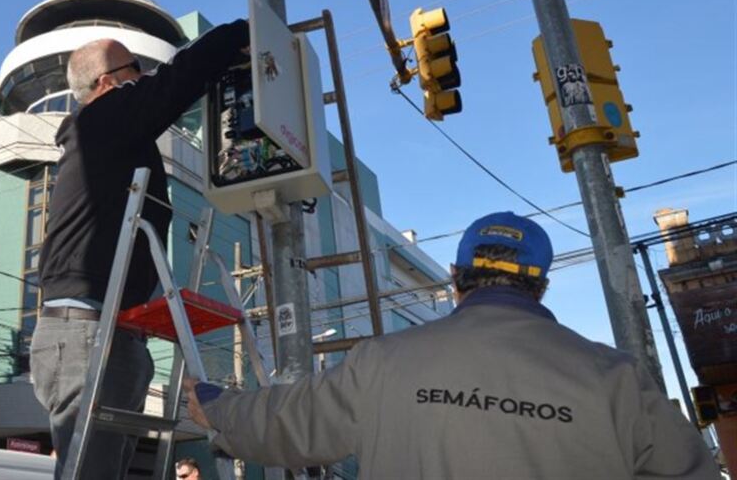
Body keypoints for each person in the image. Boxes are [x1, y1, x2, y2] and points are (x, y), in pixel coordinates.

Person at [185, 212, 718, 479]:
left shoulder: (384, 361)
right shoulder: (618, 379)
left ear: (458, 278)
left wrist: (214, 406)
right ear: (542, 283)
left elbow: (288, 422)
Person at [30, 18, 249, 479]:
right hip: (89, 331)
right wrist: (240, 31)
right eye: (136, 70)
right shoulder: (99, 119)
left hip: (106, 331)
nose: (145, 79)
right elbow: (174, 82)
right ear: (107, 82)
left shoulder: (110, 138)